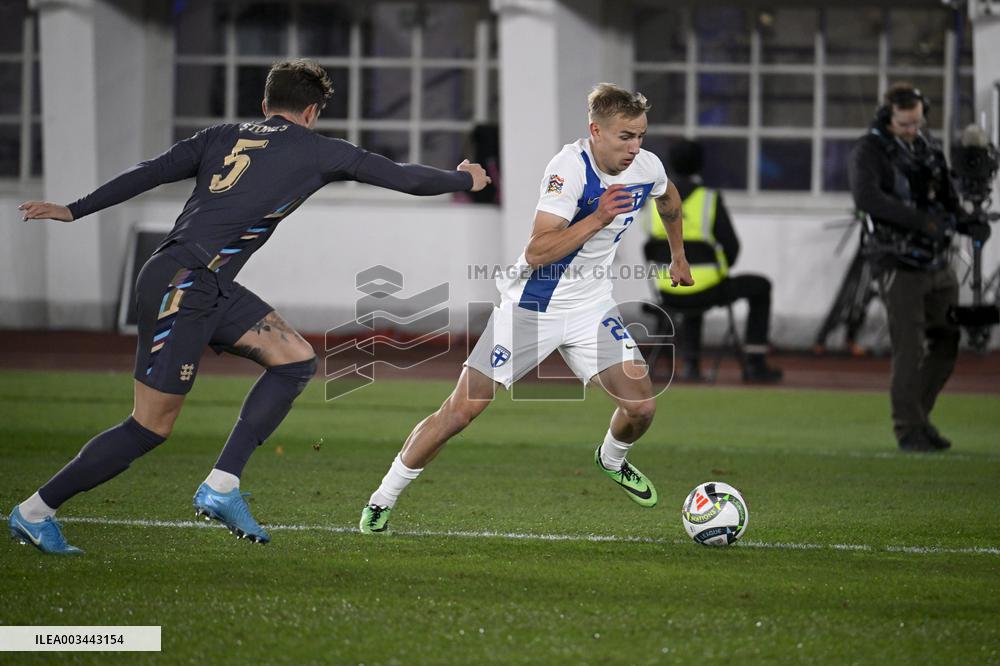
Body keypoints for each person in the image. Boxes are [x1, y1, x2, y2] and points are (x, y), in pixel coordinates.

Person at [9, 58, 490, 554]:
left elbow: (148, 173)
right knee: (150, 425)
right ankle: (34, 512)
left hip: (201, 280)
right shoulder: (320, 150)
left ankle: (221, 486)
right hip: (185, 283)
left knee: (295, 360)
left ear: (264, 105)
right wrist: (466, 181)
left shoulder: (218, 136)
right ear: (311, 111)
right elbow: (404, 177)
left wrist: (75, 208)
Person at [357, 83, 694, 534]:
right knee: (461, 412)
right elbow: (537, 251)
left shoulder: (646, 166)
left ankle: (611, 459)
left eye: (640, 136)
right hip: (531, 306)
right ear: (595, 130)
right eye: (625, 137)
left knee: (642, 409)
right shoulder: (568, 170)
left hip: (591, 306)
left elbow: (669, 199)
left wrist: (678, 255)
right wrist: (598, 217)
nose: (635, 147)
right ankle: (384, 497)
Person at [849, 82, 960, 452]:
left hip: (937, 260)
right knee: (909, 347)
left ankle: (919, 417)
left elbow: (946, 196)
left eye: (917, 123)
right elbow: (867, 197)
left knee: (947, 339)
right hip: (896, 260)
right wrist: (919, 221)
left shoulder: (929, 149)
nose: (912, 130)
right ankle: (907, 428)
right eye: (904, 124)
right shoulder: (870, 149)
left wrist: (963, 220)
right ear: (888, 117)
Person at [646, 139, 782, 383]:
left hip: (667, 292)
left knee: (688, 289)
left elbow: (652, 247)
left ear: (670, 166)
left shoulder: (653, 201)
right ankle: (755, 363)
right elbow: (732, 247)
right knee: (761, 287)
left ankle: (692, 365)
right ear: (700, 164)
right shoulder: (709, 199)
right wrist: (719, 270)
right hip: (708, 290)